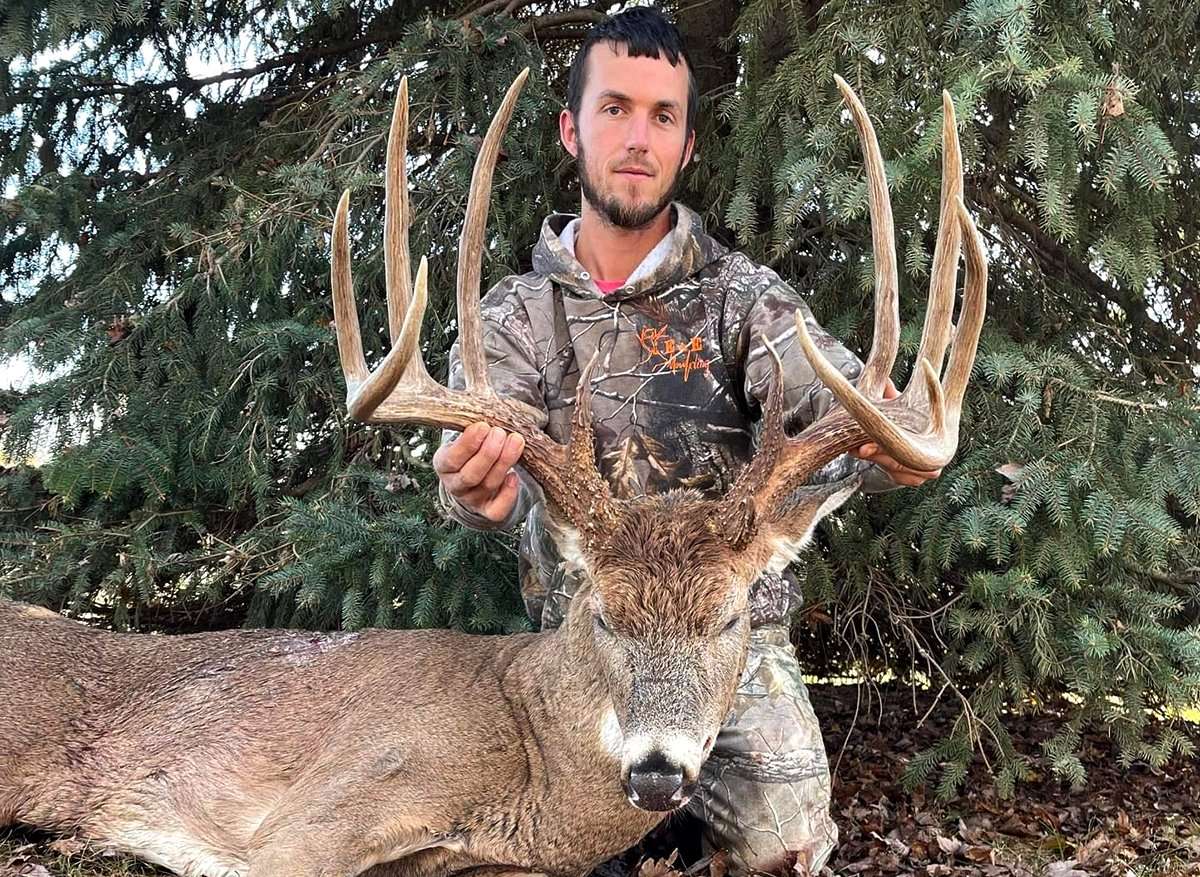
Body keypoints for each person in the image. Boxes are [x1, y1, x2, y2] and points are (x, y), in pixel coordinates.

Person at [433, 7, 940, 874]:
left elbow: (847, 411)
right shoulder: (512, 319)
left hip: (730, 639)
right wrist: (478, 488)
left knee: (783, 850)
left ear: (688, 145)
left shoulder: (744, 299)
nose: (639, 138)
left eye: (663, 116)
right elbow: (491, 477)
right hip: (582, 647)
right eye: (615, 108)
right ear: (570, 130)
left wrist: (888, 439)